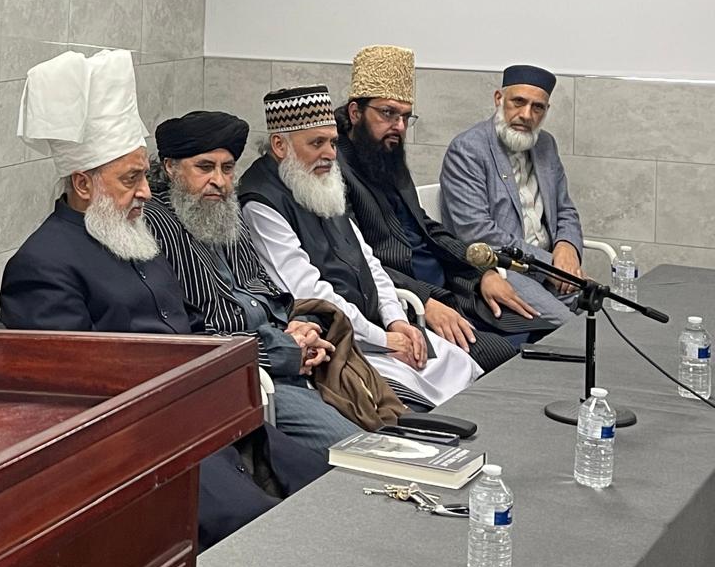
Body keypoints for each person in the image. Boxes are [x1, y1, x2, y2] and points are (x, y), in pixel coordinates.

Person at [2, 50, 329, 549]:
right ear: (83, 183)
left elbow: (190, 330)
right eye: (129, 179)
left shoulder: (134, 238)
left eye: (142, 176)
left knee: (323, 482)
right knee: (260, 531)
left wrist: (259, 357)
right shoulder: (41, 266)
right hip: (140, 443)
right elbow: (75, 392)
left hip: (203, 412)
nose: (144, 192)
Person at [240, 86, 483, 408]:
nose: (330, 154)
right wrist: (383, 339)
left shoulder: (320, 178)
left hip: (376, 328)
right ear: (280, 145)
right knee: (416, 402)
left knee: (462, 367)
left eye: (332, 142)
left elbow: (369, 261)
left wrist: (396, 320)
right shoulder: (260, 201)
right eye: (316, 143)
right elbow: (307, 292)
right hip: (337, 342)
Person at [146, 111, 365, 451]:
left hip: (289, 359)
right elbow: (192, 337)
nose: (219, 181)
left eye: (227, 168)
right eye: (205, 167)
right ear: (171, 167)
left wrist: (301, 327)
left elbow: (265, 288)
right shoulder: (156, 225)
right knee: (351, 449)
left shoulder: (225, 210)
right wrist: (284, 350)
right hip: (240, 378)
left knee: (384, 427)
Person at [338, 45, 567, 352]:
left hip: (452, 284)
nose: (399, 127)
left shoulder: (386, 154)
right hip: (408, 299)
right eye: (388, 113)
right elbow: (355, 259)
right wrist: (425, 299)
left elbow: (427, 229)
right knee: (510, 353)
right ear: (356, 113)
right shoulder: (337, 171)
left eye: (405, 117)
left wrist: (482, 273)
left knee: (541, 334)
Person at [440, 64, 586, 301]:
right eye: (518, 102)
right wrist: (551, 265)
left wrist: (567, 246)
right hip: (503, 271)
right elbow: (477, 232)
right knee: (570, 323)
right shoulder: (468, 149)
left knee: (604, 310)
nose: (527, 115)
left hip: (552, 270)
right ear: (499, 99)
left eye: (537, 107)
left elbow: (565, 209)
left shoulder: (546, 145)